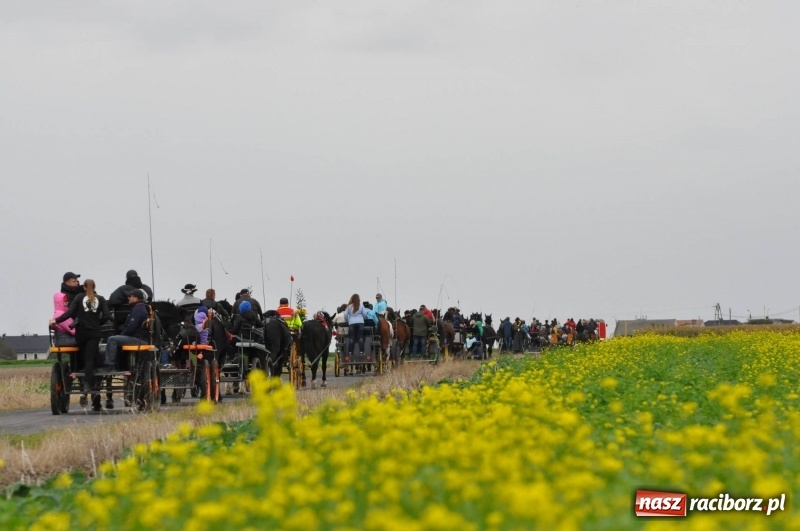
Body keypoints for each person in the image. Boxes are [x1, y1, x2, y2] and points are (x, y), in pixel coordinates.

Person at [51, 279, 110, 411]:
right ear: (95, 287)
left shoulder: (78, 297)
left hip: (81, 333)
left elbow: (69, 313)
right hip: (94, 333)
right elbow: (106, 315)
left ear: (83, 287)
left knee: (83, 358)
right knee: (90, 359)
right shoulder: (100, 299)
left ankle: (81, 381)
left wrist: (56, 320)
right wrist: (97, 323)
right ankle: (87, 387)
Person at [103, 289, 150, 373]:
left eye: (130, 296)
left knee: (112, 339)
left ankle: (109, 365)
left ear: (136, 298)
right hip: (138, 338)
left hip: (139, 339)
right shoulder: (138, 308)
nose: (128, 298)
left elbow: (131, 328)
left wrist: (121, 335)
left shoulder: (138, 310)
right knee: (116, 339)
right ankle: (120, 365)